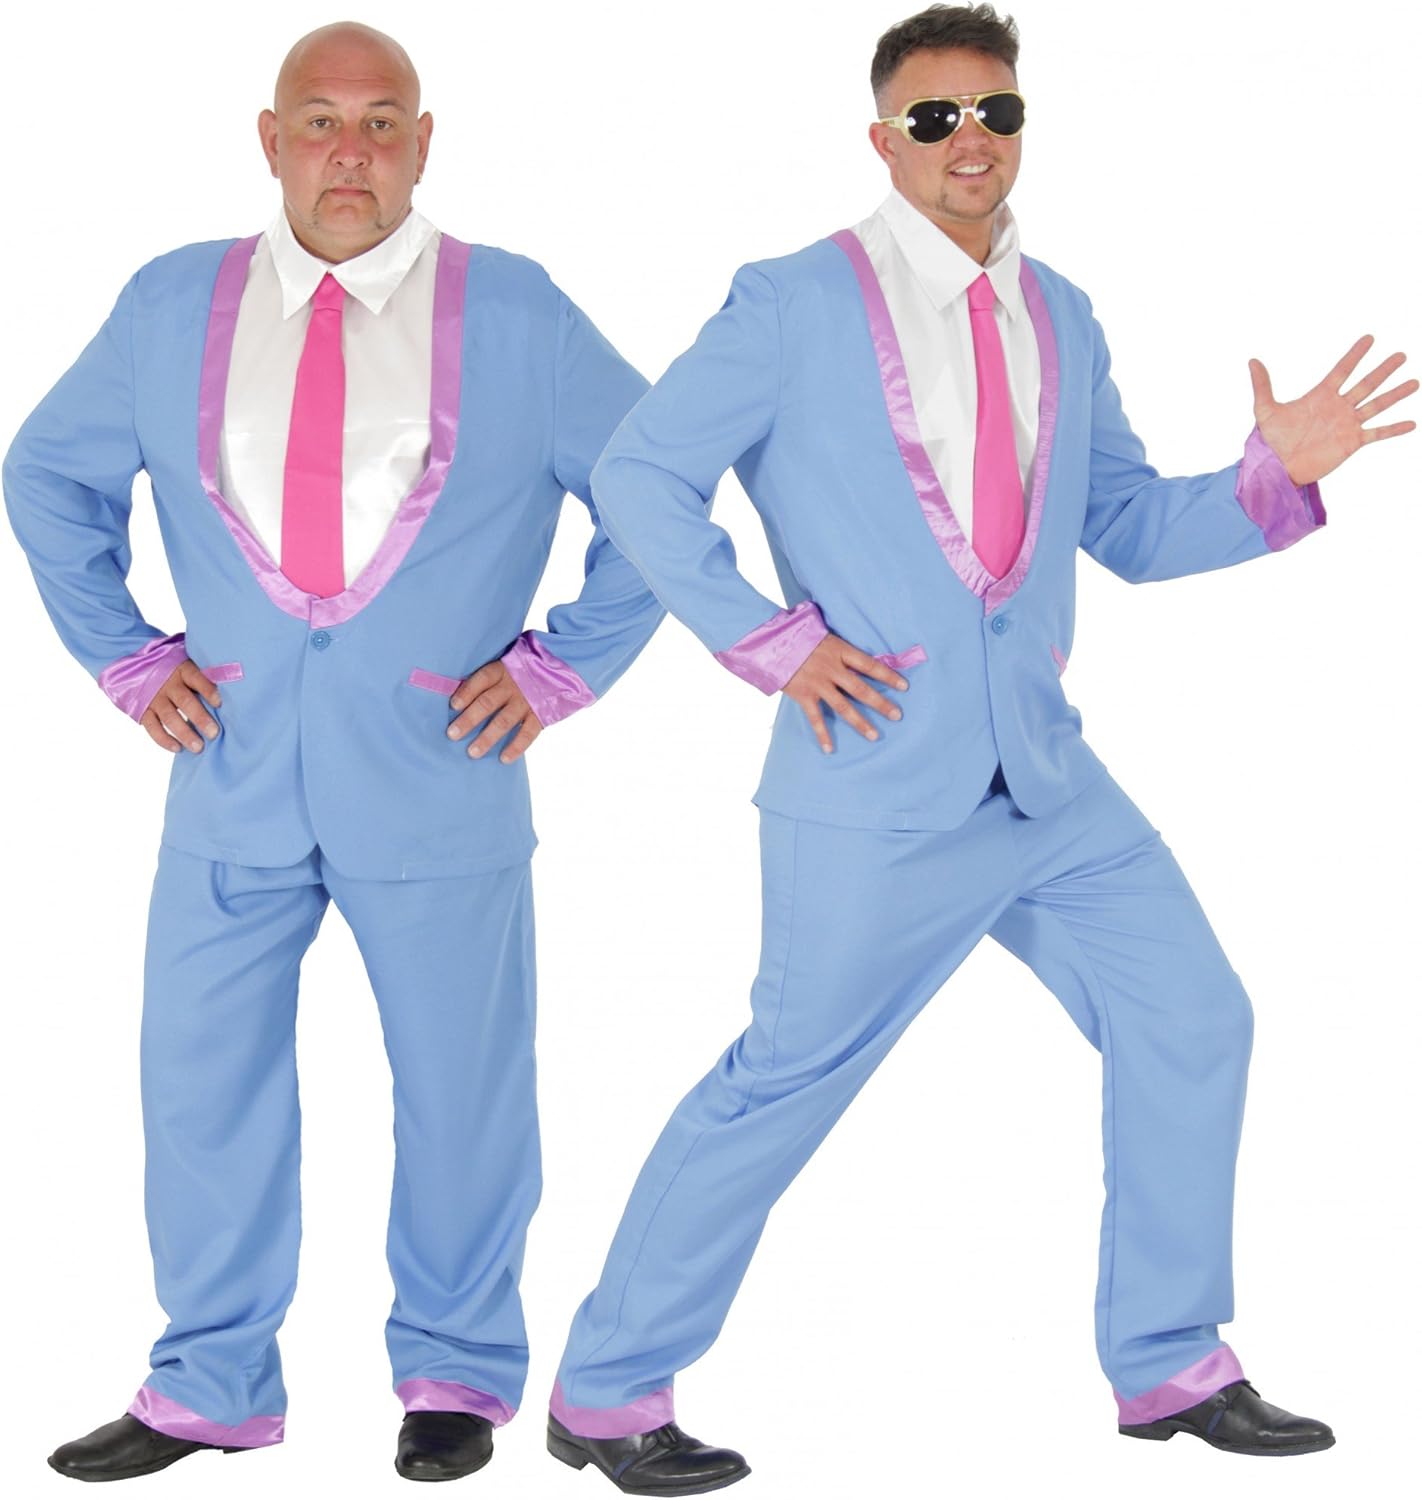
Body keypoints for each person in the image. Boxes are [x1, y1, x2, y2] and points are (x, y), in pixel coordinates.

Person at [543, 5, 1416, 1492]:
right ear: (883, 140)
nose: (969, 140)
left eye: (994, 113)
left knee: (1192, 1015)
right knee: (782, 1081)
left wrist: (1272, 478)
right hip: (872, 783)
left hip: (1047, 784)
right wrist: (770, 642)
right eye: (934, 117)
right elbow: (639, 475)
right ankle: (608, 1392)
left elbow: (1127, 525)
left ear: (1021, 128)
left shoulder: (1062, 312)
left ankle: (1170, 1362)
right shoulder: (789, 302)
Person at [4, 21, 661, 1485]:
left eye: (379, 122)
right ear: (271, 138)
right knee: (200, 1084)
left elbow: (656, 486)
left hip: (437, 778)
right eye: (318, 120)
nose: (347, 151)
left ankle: (455, 1373)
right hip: (230, 773)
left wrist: (561, 667)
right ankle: (209, 1383)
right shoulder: (171, 303)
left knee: (461, 1090)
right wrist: (126, 653)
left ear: (424, 143)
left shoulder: (518, 312)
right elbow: (46, 472)